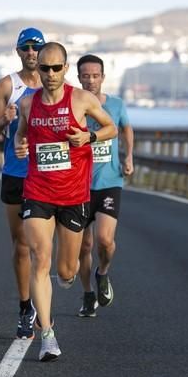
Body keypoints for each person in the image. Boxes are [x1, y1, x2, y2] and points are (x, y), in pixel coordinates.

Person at [14, 42, 117, 361]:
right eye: (44, 68)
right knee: (39, 257)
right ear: (38, 69)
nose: (50, 74)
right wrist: (21, 146)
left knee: (67, 271)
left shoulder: (82, 99)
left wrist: (90, 136)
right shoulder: (28, 104)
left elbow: (111, 127)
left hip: (73, 195)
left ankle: (76, 278)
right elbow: (21, 134)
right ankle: (47, 334)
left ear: (66, 68)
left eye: (56, 68)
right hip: (38, 191)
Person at [0, 27, 44, 340]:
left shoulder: (56, 86)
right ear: (18, 52)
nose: (31, 52)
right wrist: (5, 119)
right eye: (26, 48)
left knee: (46, 251)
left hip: (48, 176)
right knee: (21, 245)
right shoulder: (9, 85)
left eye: (37, 47)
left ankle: (43, 305)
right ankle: (25, 308)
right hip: (16, 174)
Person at [75, 54, 134, 317]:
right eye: (85, 76)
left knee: (105, 240)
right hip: (78, 185)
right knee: (84, 246)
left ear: (102, 77)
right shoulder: (73, 105)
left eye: (95, 76)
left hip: (109, 181)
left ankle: (103, 272)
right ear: (78, 78)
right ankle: (88, 294)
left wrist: (128, 155)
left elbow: (126, 129)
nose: (90, 80)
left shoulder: (117, 105)